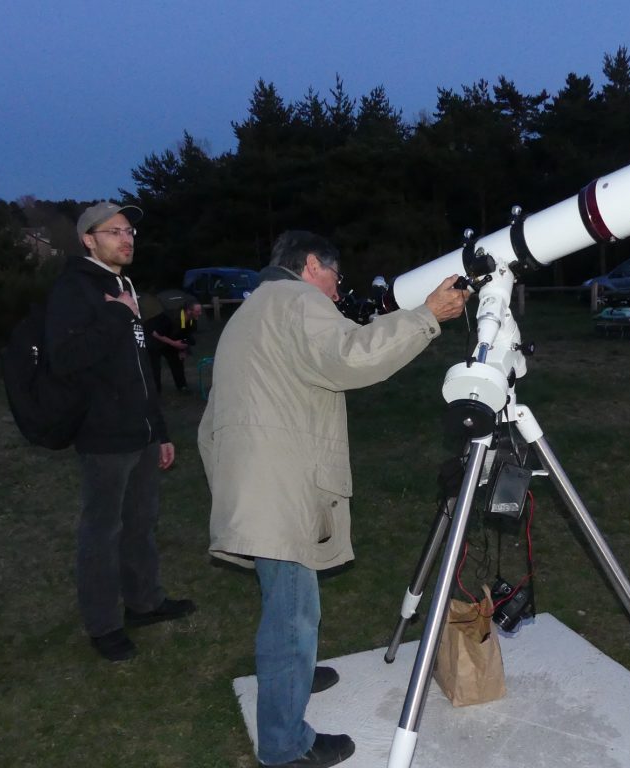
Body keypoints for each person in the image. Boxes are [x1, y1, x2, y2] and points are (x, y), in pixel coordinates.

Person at [197, 231, 468, 767]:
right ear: (313, 265)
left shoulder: (258, 306)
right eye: (335, 278)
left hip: (253, 475)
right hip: (277, 480)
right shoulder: (298, 299)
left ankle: (291, 678)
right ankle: (284, 745)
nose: (337, 291)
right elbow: (351, 356)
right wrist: (428, 316)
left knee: (284, 598)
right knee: (293, 614)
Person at [45, 201, 196, 662]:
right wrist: (117, 315)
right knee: (102, 533)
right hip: (104, 435)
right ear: (88, 240)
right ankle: (103, 624)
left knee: (140, 525)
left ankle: (145, 602)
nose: (126, 239)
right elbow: (64, 360)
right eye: (114, 232)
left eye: (129, 232)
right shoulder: (74, 289)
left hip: (142, 431)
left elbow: (139, 366)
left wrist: (161, 428)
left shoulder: (121, 284)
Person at [145, 297, 202, 393]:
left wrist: (182, 350)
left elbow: (184, 335)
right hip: (153, 338)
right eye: (198, 311)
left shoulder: (192, 320)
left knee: (177, 361)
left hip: (170, 338)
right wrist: (174, 344)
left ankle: (182, 387)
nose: (200, 313)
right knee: (155, 366)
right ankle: (155, 391)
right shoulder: (170, 318)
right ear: (188, 311)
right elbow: (156, 333)